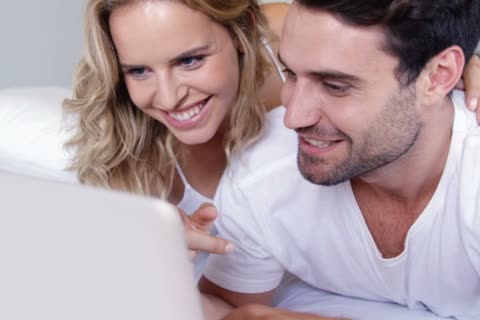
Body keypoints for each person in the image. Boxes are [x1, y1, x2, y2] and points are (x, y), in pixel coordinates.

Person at [65, 0, 480, 263]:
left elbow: (398, 39)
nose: (170, 97)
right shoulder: (128, 153)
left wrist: (459, 68)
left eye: (190, 61)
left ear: (242, 36)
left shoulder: (285, 31)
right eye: (138, 70)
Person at [199, 1, 480, 319]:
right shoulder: (261, 170)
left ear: (439, 77)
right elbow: (227, 306)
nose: (293, 117)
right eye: (290, 73)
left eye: (335, 86)